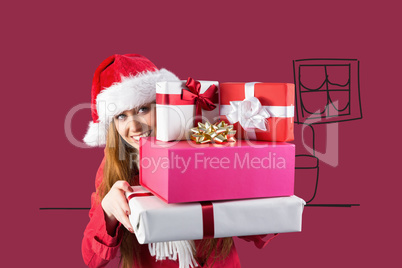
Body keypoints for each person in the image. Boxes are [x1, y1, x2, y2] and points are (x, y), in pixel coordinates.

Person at [81, 54, 272, 268]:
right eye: (121, 116)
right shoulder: (113, 167)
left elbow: (261, 230)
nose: (133, 128)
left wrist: (242, 186)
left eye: (143, 109)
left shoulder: (203, 146)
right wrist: (107, 213)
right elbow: (92, 259)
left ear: (163, 105)